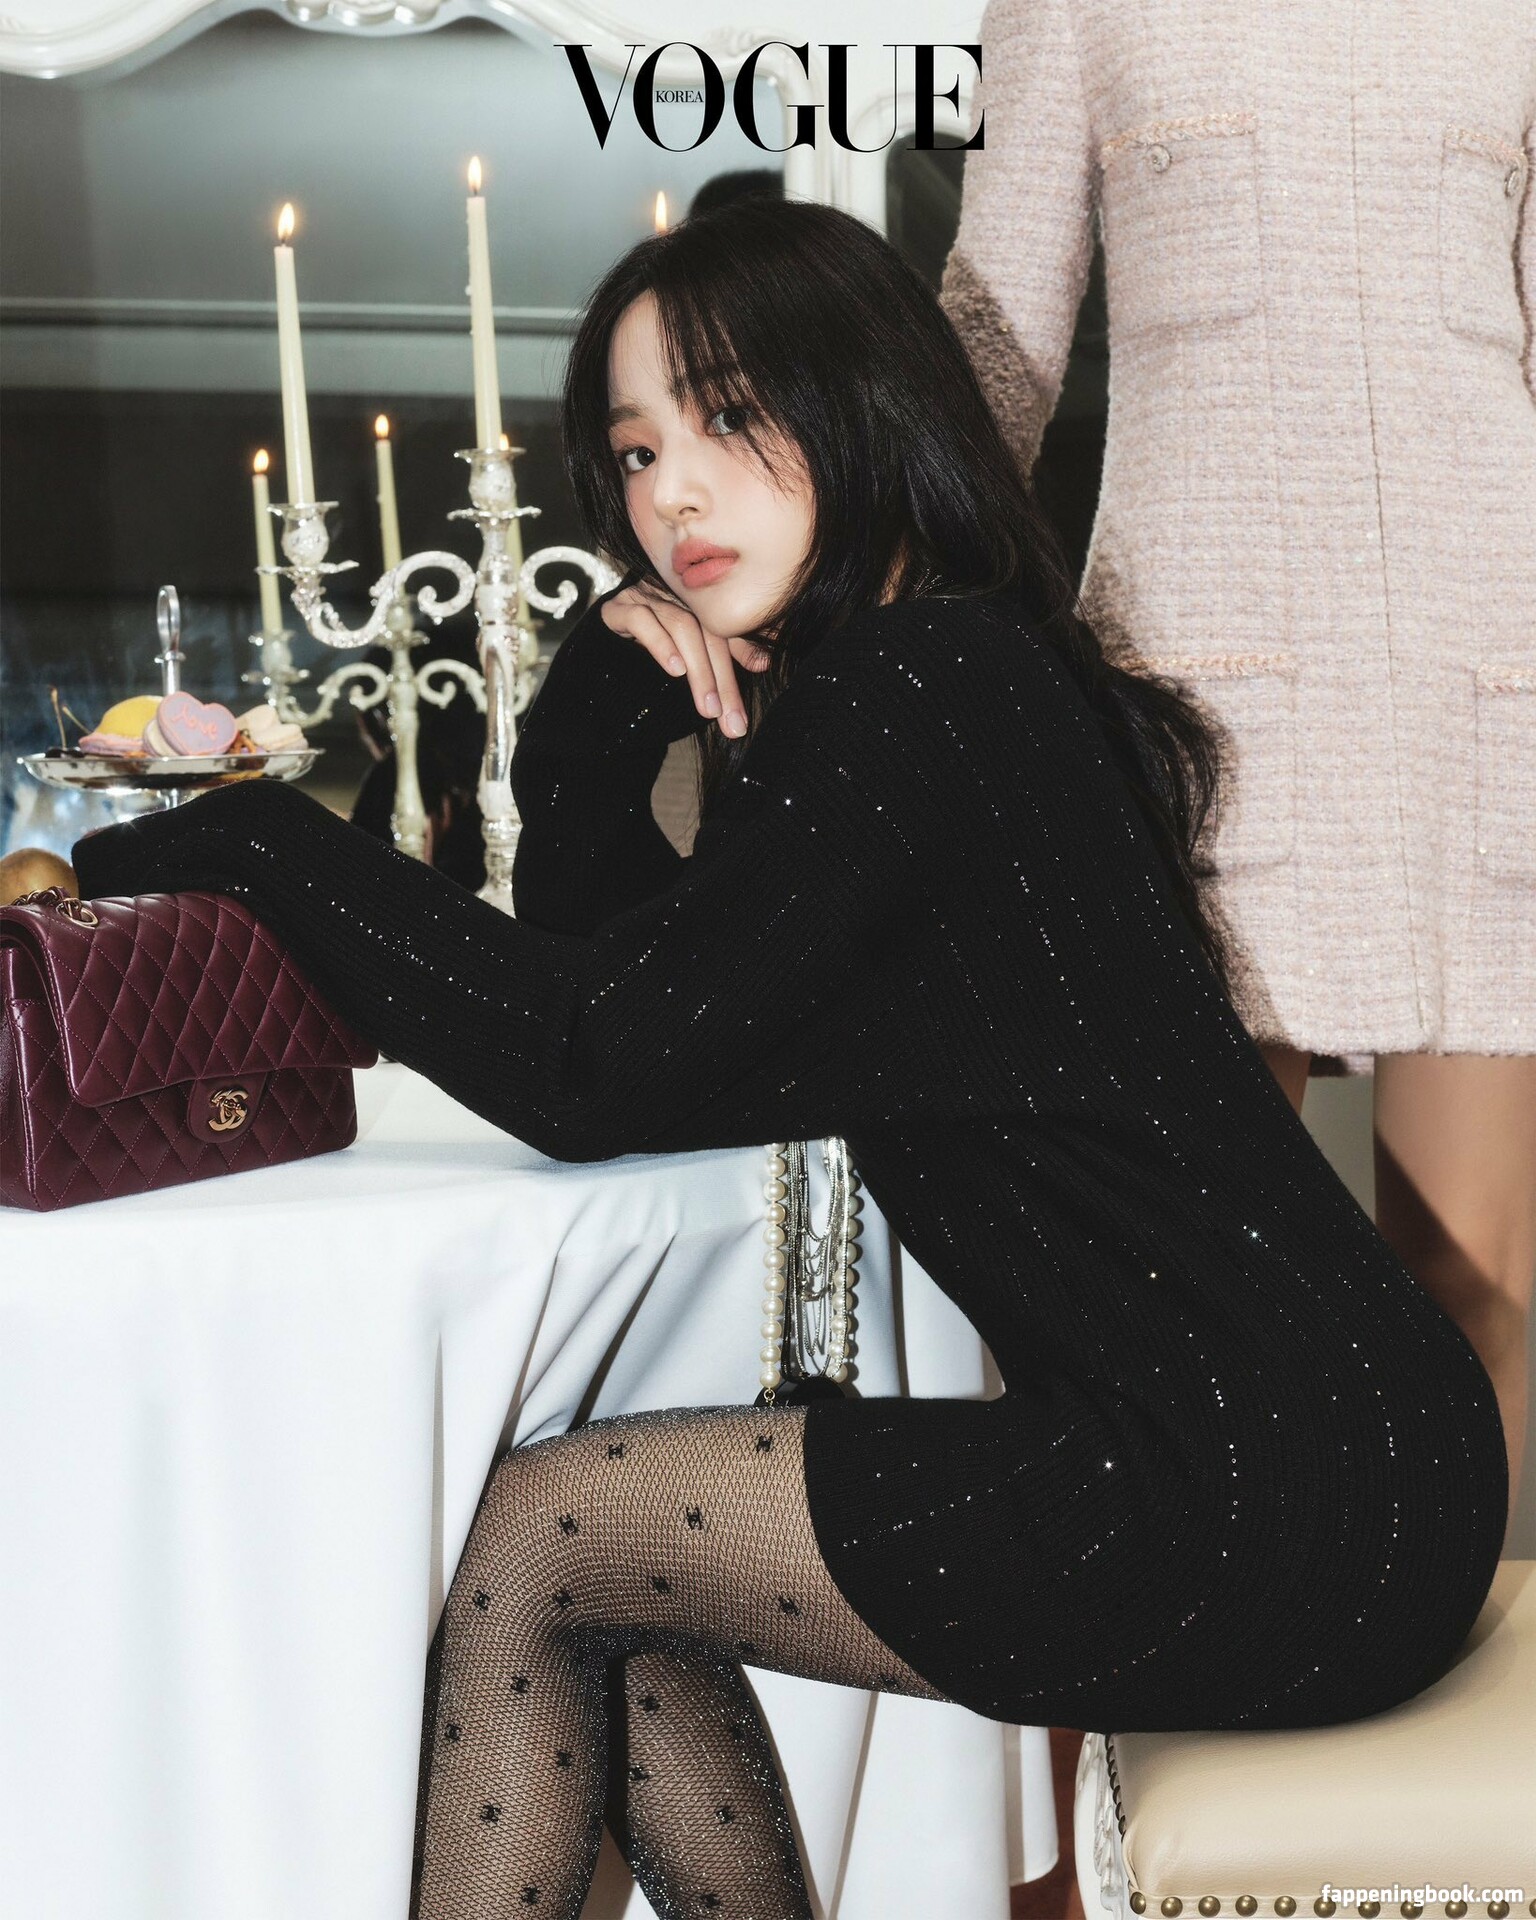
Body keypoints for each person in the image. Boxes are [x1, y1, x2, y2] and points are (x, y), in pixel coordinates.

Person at [70, 198, 1507, 1920]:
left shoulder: (920, 692)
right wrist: (608, 698)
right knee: (605, 1556)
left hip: (1250, 1485)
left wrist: (256, 841)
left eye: (729, 419)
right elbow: (627, 1008)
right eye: (635, 451)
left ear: (863, 402)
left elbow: (590, 1069)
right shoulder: (959, 676)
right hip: (1346, 1456)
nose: (671, 494)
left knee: (543, 1543)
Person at [936, 0, 1536, 1529]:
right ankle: (1148, 1659)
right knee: (1167, 1295)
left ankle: (1432, 1661)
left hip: (1487, 671)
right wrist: (856, 594)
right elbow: (994, 340)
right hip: (1199, 681)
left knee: (1477, 1294)